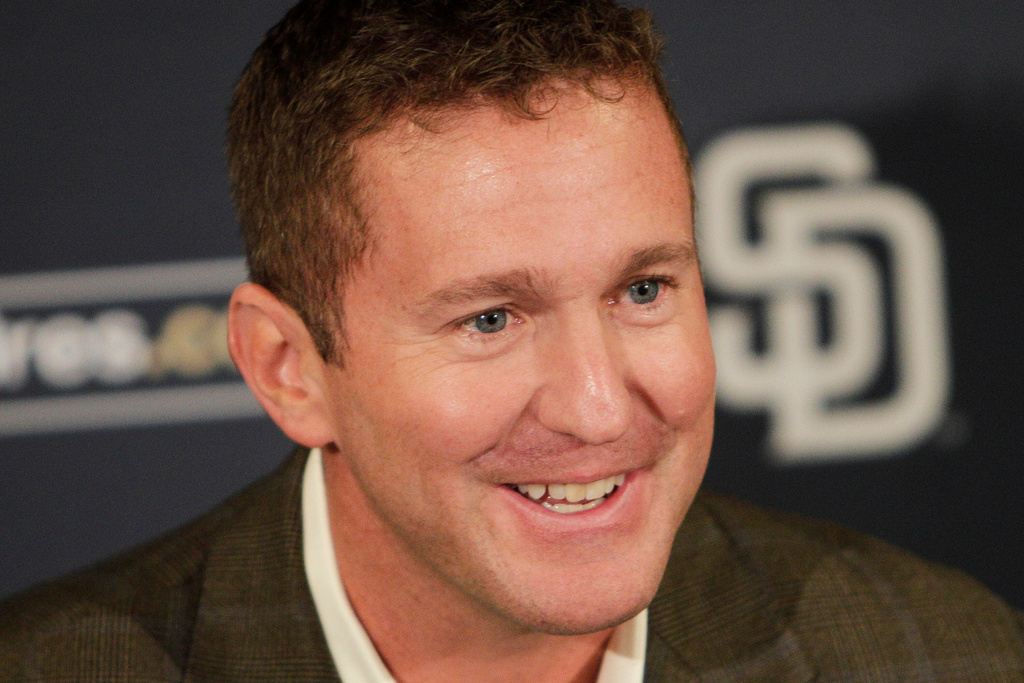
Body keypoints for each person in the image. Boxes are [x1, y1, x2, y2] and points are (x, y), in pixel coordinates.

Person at [1, 1, 1022, 681]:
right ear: (289, 366)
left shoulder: (929, 649)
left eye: (642, 287)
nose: (596, 405)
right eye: (489, 318)